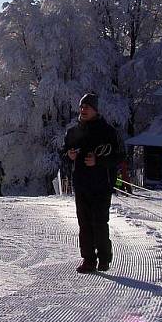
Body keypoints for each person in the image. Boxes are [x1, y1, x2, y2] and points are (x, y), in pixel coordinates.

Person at [63, 93, 122, 273]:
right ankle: (88, 259)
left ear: (95, 109)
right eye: (82, 107)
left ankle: (104, 259)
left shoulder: (108, 132)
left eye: (87, 107)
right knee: (84, 223)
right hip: (81, 185)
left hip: (101, 184)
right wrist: (68, 156)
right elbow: (63, 154)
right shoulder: (73, 132)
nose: (83, 110)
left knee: (100, 222)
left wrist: (99, 162)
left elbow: (119, 156)